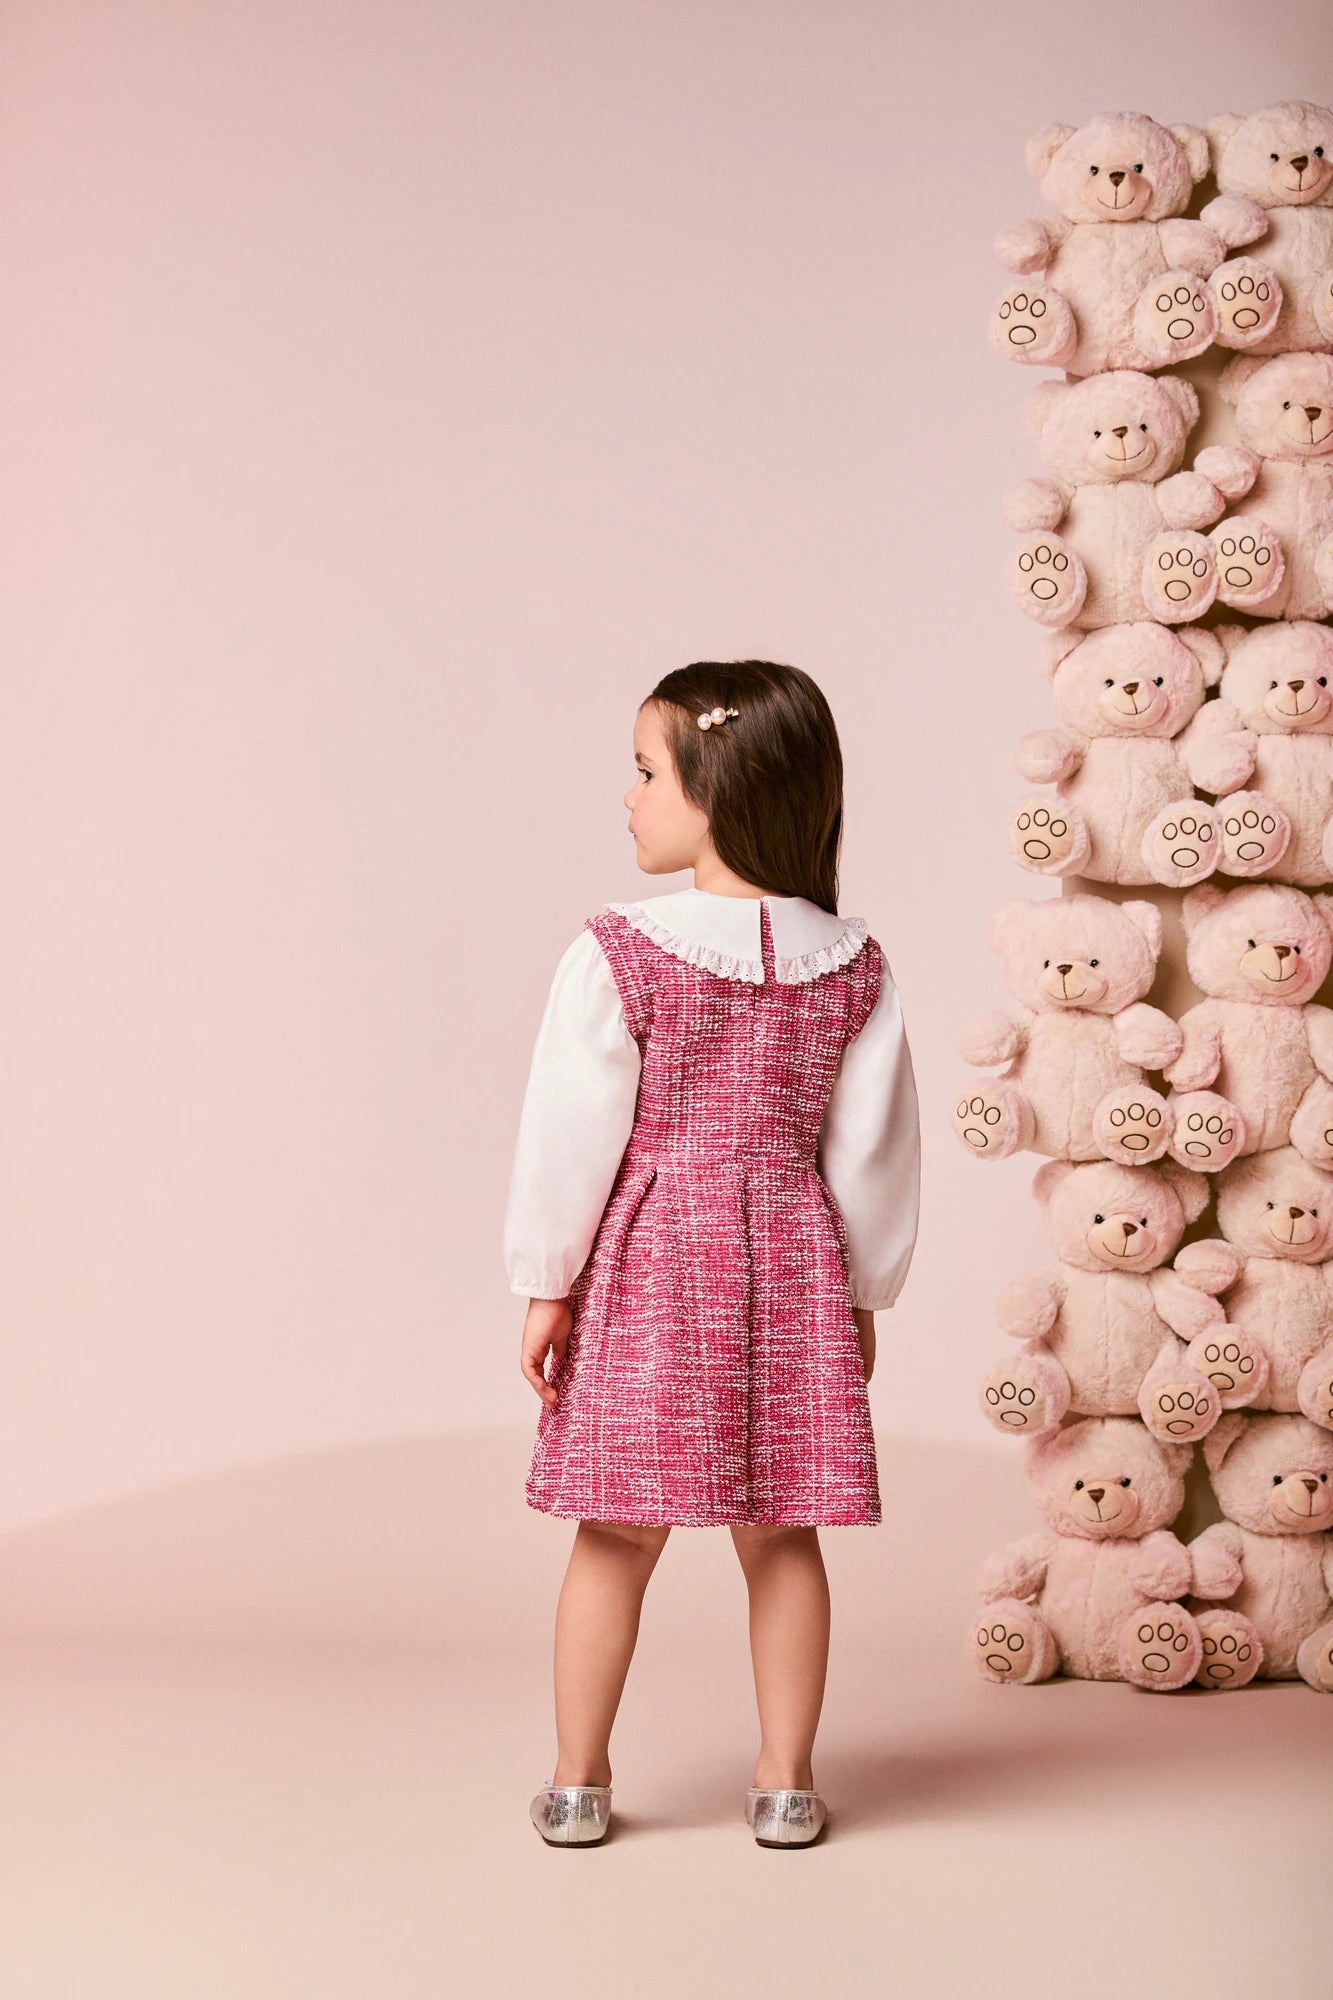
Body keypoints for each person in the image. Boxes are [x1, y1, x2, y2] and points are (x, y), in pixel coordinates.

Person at [502, 659, 920, 1847]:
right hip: (793, 1263)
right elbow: (871, 1152)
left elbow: (571, 1132)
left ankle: (577, 1780)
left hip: (651, 1264)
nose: (628, 796)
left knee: (615, 1527)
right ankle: (785, 1781)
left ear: (718, 787)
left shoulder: (619, 949)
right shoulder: (852, 962)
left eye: (646, 772)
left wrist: (547, 1281)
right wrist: (863, 1290)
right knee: (782, 1530)